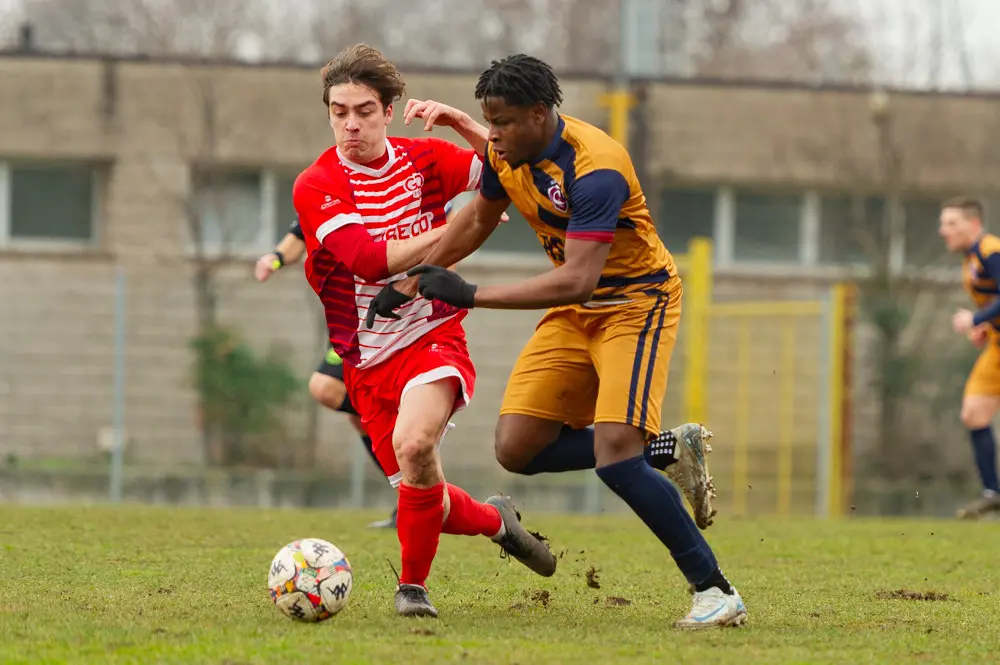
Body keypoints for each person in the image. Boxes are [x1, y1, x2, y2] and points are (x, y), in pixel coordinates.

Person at [374, 54, 746, 629]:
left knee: (616, 460)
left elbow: (578, 277)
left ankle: (715, 591)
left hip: (634, 306)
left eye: (501, 122)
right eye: (486, 121)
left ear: (541, 114)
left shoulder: (595, 169)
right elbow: (476, 219)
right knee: (517, 448)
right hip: (577, 312)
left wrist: (468, 294)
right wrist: (413, 280)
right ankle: (667, 450)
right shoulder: (508, 152)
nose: (490, 135)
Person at [292, 44, 556, 619]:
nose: (350, 124)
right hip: (364, 358)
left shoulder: (425, 158)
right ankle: (498, 522)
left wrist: (463, 122)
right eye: (339, 111)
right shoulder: (316, 185)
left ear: (389, 110)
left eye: (363, 110)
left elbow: (503, 171)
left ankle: (412, 589)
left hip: (432, 335)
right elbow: (366, 259)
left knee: (416, 446)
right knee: (424, 495)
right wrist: (454, 229)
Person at [256, 218, 397, 529]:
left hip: (394, 314)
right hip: (352, 320)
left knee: (328, 388)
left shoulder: (396, 182)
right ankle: (411, 494)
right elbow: (298, 233)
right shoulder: (326, 188)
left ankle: (417, 480)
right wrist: (275, 258)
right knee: (357, 415)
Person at [940, 196, 1000, 519]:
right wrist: (987, 327)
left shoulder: (991, 251)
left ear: (973, 224)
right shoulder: (971, 259)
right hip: (997, 345)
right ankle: (993, 493)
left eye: (951, 223)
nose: (943, 230)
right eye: (943, 223)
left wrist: (975, 320)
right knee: (974, 413)